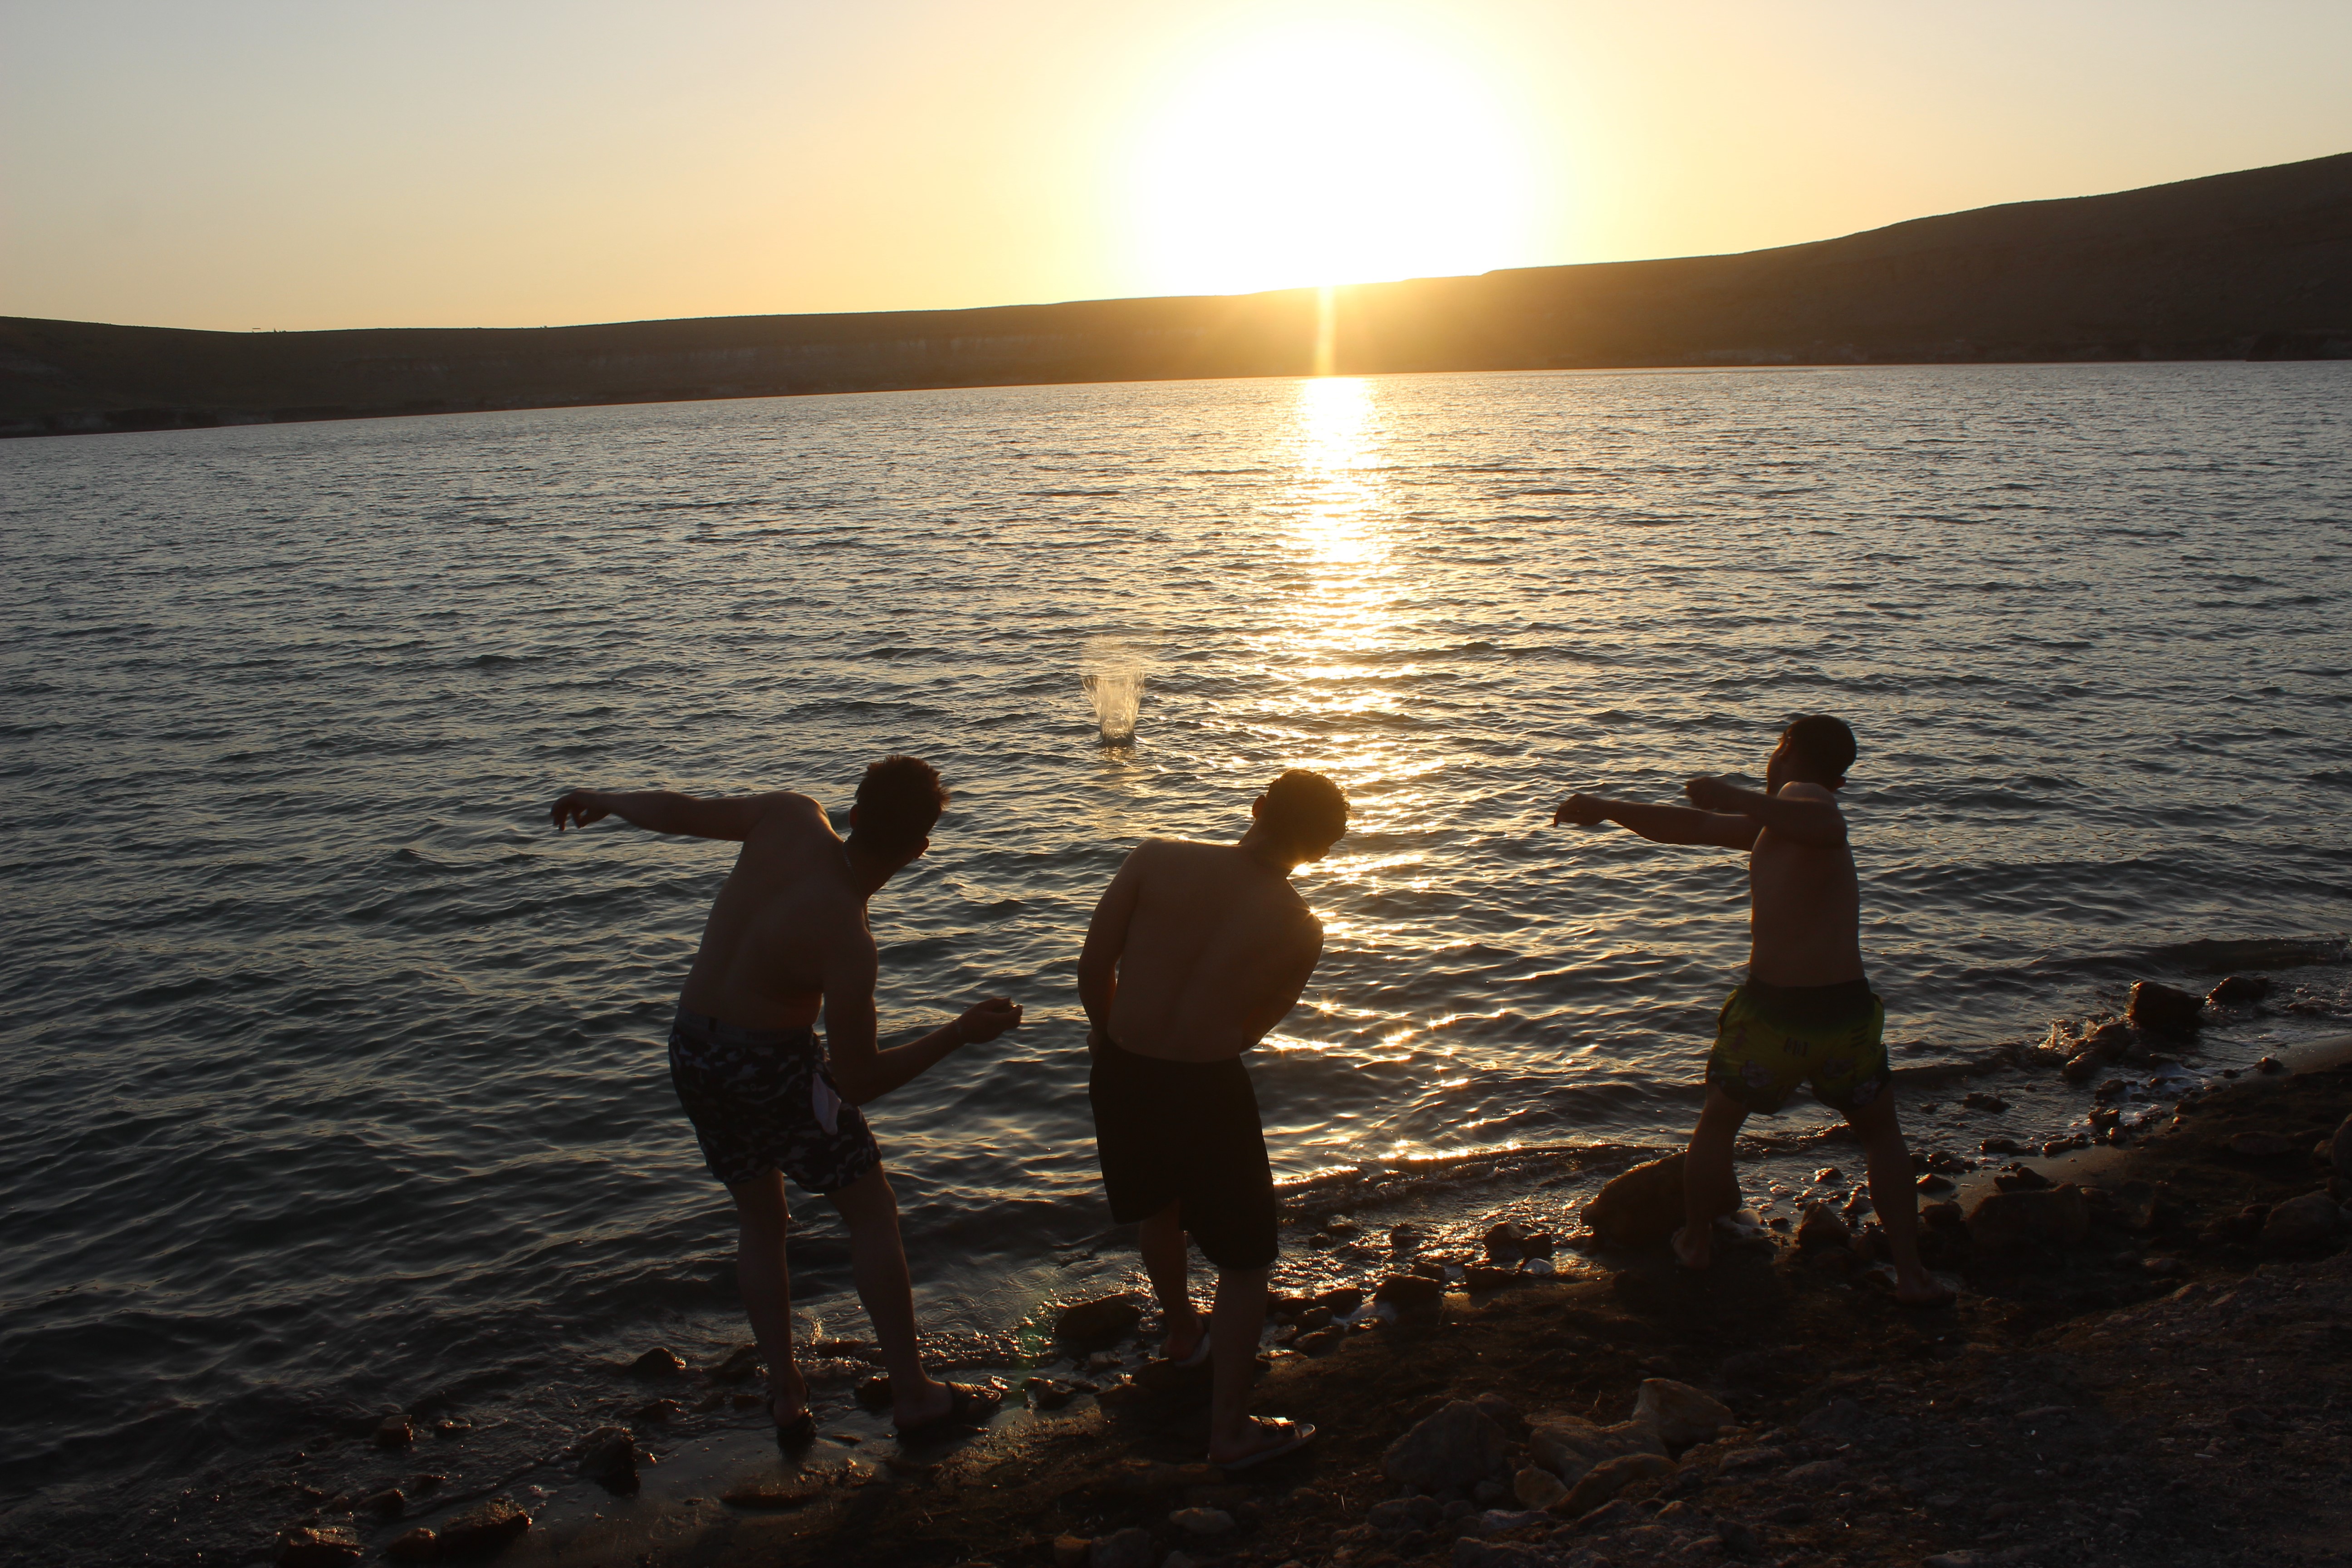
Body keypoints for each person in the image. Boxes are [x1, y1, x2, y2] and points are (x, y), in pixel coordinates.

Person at [548, 755, 1024, 1446]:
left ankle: (786, 1393)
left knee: (760, 1218)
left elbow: (681, 811)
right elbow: (857, 1081)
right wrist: (958, 1034)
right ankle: (916, 1395)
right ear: (922, 850)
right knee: (871, 1211)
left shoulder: (790, 815)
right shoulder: (850, 941)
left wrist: (605, 797)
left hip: (692, 1049)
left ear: (854, 814)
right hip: (769, 1063)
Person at [1550, 717, 1951, 1306]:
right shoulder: (1779, 822)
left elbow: (1825, 823)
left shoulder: (1802, 800)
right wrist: (1609, 808)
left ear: (1787, 752)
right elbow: (1695, 826)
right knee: (1880, 1132)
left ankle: (1695, 1242)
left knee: (1717, 1124)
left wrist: (1730, 792)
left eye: (1776, 749)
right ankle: (1912, 1274)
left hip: (1775, 1016)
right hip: (1845, 1015)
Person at [1076, 768, 1349, 1468]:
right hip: (1206, 1083)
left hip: (1123, 1065)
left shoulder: (1156, 856)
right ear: (1320, 852)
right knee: (1247, 1258)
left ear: (1256, 807)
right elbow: (1252, 1029)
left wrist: (1113, 1039)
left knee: (1158, 1206)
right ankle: (1229, 1432)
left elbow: (1092, 967)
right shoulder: (1301, 927)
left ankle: (1181, 1335)